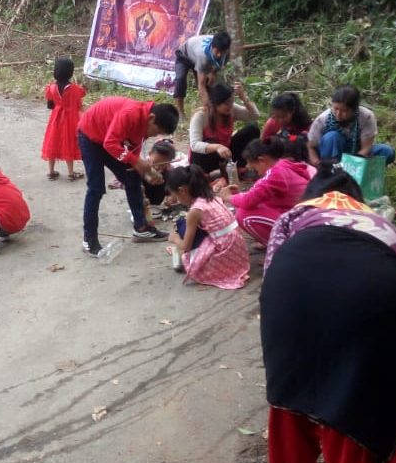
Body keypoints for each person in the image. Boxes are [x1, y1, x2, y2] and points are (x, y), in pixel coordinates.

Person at [259, 165, 396, 463]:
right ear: (356, 198)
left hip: (292, 292)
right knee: (362, 418)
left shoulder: (293, 217)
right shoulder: (380, 223)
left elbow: (270, 278)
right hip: (371, 299)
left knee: (290, 401)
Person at [77, 96, 179, 256]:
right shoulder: (130, 114)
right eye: (156, 131)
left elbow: (133, 149)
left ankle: (141, 228)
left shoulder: (145, 122)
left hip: (108, 139)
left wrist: (146, 172)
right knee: (96, 189)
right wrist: (137, 162)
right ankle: (89, 240)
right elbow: (110, 143)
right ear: (151, 118)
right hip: (90, 137)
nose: (153, 136)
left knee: (132, 179)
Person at [165, 165, 249, 289]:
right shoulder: (212, 197)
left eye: (176, 195)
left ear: (182, 190)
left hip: (225, 254)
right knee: (186, 223)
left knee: (182, 225)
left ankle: (200, 263)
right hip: (239, 253)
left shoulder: (195, 211)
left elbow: (186, 247)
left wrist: (174, 238)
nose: (177, 200)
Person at [225, 137, 311, 245]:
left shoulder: (275, 173)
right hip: (303, 216)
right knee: (255, 204)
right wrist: (238, 195)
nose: (248, 167)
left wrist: (228, 197)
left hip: (301, 223)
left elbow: (248, 201)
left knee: (243, 214)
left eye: (252, 165)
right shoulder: (282, 165)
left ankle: (277, 247)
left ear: (261, 160)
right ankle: (276, 240)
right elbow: (256, 194)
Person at [308, 86, 396, 166]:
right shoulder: (323, 119)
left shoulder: (366, 116)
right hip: (330, 154)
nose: (338, 114)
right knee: (332, 137)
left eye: (344, 111)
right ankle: (332, 172)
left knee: (387, 152)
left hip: (357, 154)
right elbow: (311, 146)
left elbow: (366, 148)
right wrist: (317, 163)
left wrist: (352, 163)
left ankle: (364, 176)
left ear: (354, 109)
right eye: (336, 109)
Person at [188, 83, 260, 178]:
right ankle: (202, 175)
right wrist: (217, 147)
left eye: (231, 101)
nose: (229, 105)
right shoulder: (201, 115)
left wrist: (244, 98)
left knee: (252, 129)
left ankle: (239, 167)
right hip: (206, 158)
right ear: (216, 102)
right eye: (226, 103)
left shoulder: (232, 109)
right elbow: (194, 144)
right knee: (201, 147)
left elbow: (254, 116)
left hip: (226, 153)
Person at [41, 57, 86, 181]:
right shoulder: (75, 89)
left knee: (53, 141)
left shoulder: (51, 88)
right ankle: (71, 173)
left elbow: (50, 105)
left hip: (55, 119)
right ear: (70, 72)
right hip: (70, 120)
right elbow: (79, 104)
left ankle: (51, 172)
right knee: (69, 143)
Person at [173, 31, 231, 117]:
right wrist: (209, 109)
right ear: (212, 47)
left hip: (198, 57)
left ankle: (212, 110)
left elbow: (218, 66)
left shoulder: (226, 53)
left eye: (222, 52)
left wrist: (212, 72)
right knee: (180, 79)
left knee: (210, 84)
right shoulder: (203, 55)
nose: (219, 55)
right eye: (217, 52)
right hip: (184, 55)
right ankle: (180, 112)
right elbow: (201, 85)